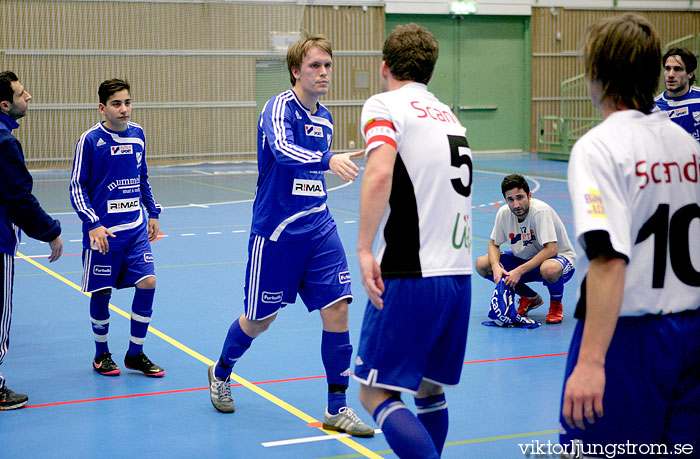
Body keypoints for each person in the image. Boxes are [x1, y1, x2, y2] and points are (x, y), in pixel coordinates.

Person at [207, 34, 373, 437]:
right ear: (296, 71)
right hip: (277, 231)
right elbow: (283, 151)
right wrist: (328, 158)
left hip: (318, 226)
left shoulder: (326, 117)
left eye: (328, 66)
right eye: (315, 66)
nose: (323, 73)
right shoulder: (278, 107)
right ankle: (220, 370)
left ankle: (337, 406)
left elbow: (314, 171)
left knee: (338, 308)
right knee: (259, 320)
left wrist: (327, 160)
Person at [561, 13, 700, 454]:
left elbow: (607, 258)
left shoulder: (600, 146)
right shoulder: (688, 147)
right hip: (691, 333)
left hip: (628, 337)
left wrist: (590, 362)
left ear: (597, 75)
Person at [354, 23, 473, 458]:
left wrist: (365, 248)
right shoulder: (448, 115)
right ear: (430, 71)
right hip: (458, 276)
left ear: (384, 67)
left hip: (411, 271)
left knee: (374, 394)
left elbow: (380, 172)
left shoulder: (384, 104)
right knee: (426, 387)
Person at [70, 78, 164, 378]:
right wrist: (92, 223)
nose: (124, 109)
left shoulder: (138, 135)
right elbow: (76, 187)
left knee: (148, 282)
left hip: (135, 228)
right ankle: (101, 355)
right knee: (102, 292)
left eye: (127, 102)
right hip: (104, 234)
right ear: (102, 108)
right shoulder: (90, 141)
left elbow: (142, 177)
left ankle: (135, 354)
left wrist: (153, 212)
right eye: (116, 104)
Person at [0, 71, 63, 410]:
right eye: (23, 94)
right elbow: (19, 200)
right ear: (5, 104)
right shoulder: (5, 142)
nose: (29, 98)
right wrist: (51, 232)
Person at [474, 174, 576, 324]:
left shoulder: (540, 212)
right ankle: (530, 297)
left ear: (529, 195)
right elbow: (493, 244)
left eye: (520, 197)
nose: (516, 204)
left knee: (550, 269)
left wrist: (519, 271)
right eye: (510, 199)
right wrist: (496, 266)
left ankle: (555, 304)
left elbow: (551, 250)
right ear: (505, 199)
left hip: (557, 260)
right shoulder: (503, 213)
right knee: (482, 264)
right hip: (525, 261)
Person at [653, 47, 700, 143]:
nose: (670, 74)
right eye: (667, 69)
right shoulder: (654, 108)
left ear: (690, 74)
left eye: (677, 69)